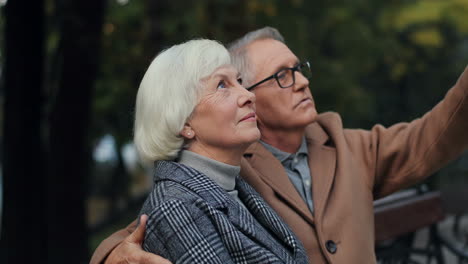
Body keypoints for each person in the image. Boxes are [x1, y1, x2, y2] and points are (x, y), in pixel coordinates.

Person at [90, 27, 468, 264]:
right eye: (282, 76)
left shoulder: (348, 146)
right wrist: (109, 258)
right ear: (256, 96)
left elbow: (433, 135)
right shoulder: (232, 164)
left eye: (298, 69)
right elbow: (158, 219)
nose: (302, 82)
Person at [108, 38, 308, 264]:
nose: (248, 95)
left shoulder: (232, 187)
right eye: (222, 85)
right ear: (183, 123)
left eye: (239, 81)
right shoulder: (177, 207)